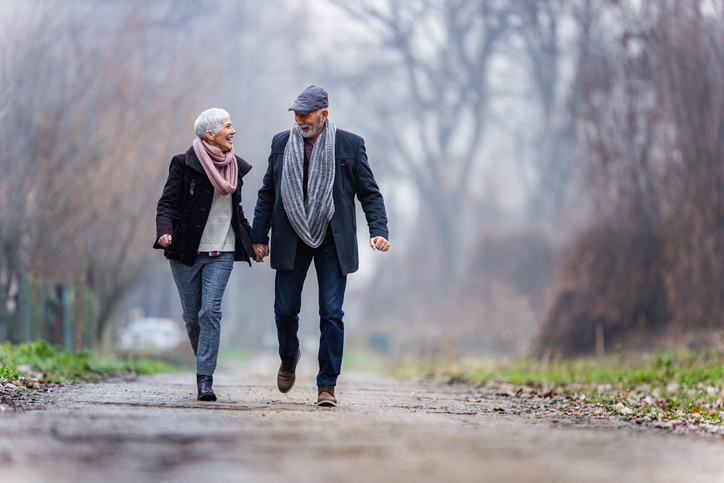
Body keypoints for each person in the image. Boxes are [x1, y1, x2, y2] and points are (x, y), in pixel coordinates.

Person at [250, 85, 390, 406]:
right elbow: (267, 193)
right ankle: (289, 356)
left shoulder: (350, 145)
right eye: (296, 115)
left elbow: (369, 192)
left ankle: (327, 384)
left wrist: (378, 229)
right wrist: (259, 237)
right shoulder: (281, 144)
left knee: (331, 313)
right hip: (290, 235)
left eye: (306, 115)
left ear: (323, 114)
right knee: (284, 311)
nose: (300, 120)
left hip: (332, 239)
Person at [154, 108, 255, 401]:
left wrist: (255, 241)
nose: (233, 131)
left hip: (221, 250)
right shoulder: (183, 164)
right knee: (192, 318)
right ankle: (205, 363)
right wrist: (164, 231)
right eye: (227, 126)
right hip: (186, 250)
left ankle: (205, 380)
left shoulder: (235, 168)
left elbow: (235, 213)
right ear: (209, 134)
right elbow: (167, 204)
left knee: (210, 311)